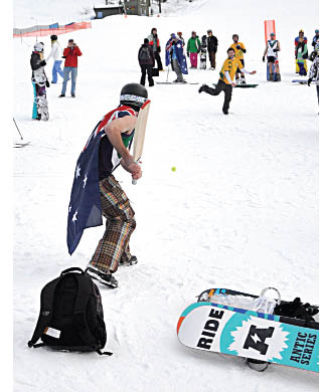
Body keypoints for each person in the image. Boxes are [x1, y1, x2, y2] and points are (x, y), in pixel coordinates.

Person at [67, 83, 149, 288]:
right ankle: (101, 266)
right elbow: (112, 131)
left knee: (121, 212)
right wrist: (129, 156)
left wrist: (129, 164)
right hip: (97, 176)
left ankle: (121, 254)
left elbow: (112, 148)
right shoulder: (129, 116)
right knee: (124, 217)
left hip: (90, 173)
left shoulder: (116, 113)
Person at [198, 47, 256, 115]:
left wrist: (250, 72)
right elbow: (226, 73)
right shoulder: (227, 61)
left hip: (229, 83)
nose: (231, 54)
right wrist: (231, 82)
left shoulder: (237, 60)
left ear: (234, 53)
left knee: (228, 98)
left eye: (232, 52)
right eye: (229, 53)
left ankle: (225, 110)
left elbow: (242, 69)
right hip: (222, 81)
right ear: (228, 54)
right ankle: (204, 87)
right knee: (215, 93)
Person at [30, 42, 50, 121]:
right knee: (38, 97)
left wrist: (47, 80)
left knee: (42, 96)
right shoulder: (34, 56)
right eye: (42, 48)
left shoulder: (39, 56)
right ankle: (37, 114)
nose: (43, 50)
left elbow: (42, 69)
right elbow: (34, 67)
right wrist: (41, 63)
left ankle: (41, 113)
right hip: (36, 80)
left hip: (41, 79)